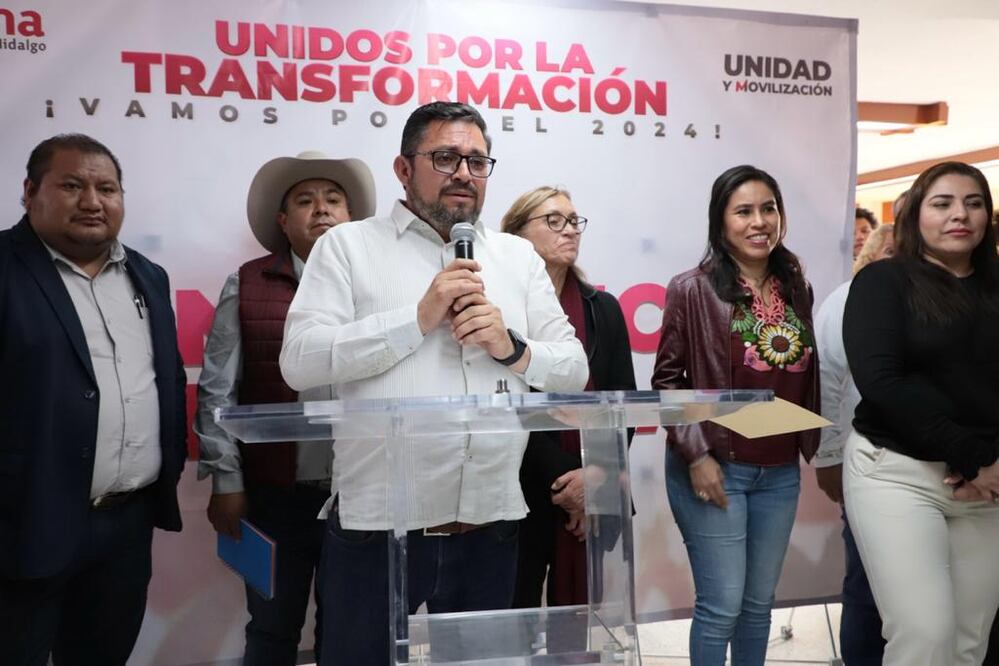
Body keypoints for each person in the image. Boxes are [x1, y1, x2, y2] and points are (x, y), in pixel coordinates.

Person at [279, 102, 589, 666]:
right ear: (403, 169)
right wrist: (416, 319)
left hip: (490, 523)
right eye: (445, 157)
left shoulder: (516, 257)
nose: (464, 173)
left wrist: (512, 348)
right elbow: (299, 361)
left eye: (476, 161)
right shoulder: (347, 247)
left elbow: (573, 367)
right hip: (378, 528)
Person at [0, 134, 187, 665]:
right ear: (30, 191)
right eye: (72, 185)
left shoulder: (148, 276)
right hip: (22, 526)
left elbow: (165, 380)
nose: (92, 200)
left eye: (107, 188)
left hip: (124, 527)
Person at [196, 151, 376, 665]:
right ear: (283, 220)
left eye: (333, 200)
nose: (321, 209)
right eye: (304, 200)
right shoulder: (248, 283)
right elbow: (217, 390)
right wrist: (226, 481)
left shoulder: (379, 287)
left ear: (351, 217)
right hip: (275, 498)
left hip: (361, 493)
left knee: (350, 630)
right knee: (273, 629)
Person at [651, 165, 819, 666]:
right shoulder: (692, 289)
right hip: (716, 466)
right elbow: (668, 382)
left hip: (779, 468)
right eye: (743, 211)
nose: (759, 221)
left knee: (757, 606)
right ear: (720, 222)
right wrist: (697, 455)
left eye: (768, 208)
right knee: (721, 606)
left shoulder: (796, 288)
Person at [842, 161, 999, 666]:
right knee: (925, 636)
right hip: (897, 473)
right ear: (916, 215)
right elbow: (884, 385)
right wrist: (973, 456)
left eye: (974, 203)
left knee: (969, 643)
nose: (960, 215)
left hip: (987, 483)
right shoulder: (884, 282)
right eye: (943, 203)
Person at [500, 187, 636, 642]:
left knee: (581, 627)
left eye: (574, 220)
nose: (569, 230)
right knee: (512, 620)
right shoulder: (500, 308)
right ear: (518, 235)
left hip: (594, 484)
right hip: (520, 488)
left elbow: (624, 403)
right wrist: (567, 483)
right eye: (553, 220)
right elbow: (508, 407)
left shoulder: (604, 309)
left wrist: (596, 475)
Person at [813, 221, 895, 664]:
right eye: (889, 252)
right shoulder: (846, 300)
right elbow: (825, 380)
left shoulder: (941, 301)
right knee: (866, 584)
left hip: (944, 471)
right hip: (865, 462)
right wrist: (826, 456)